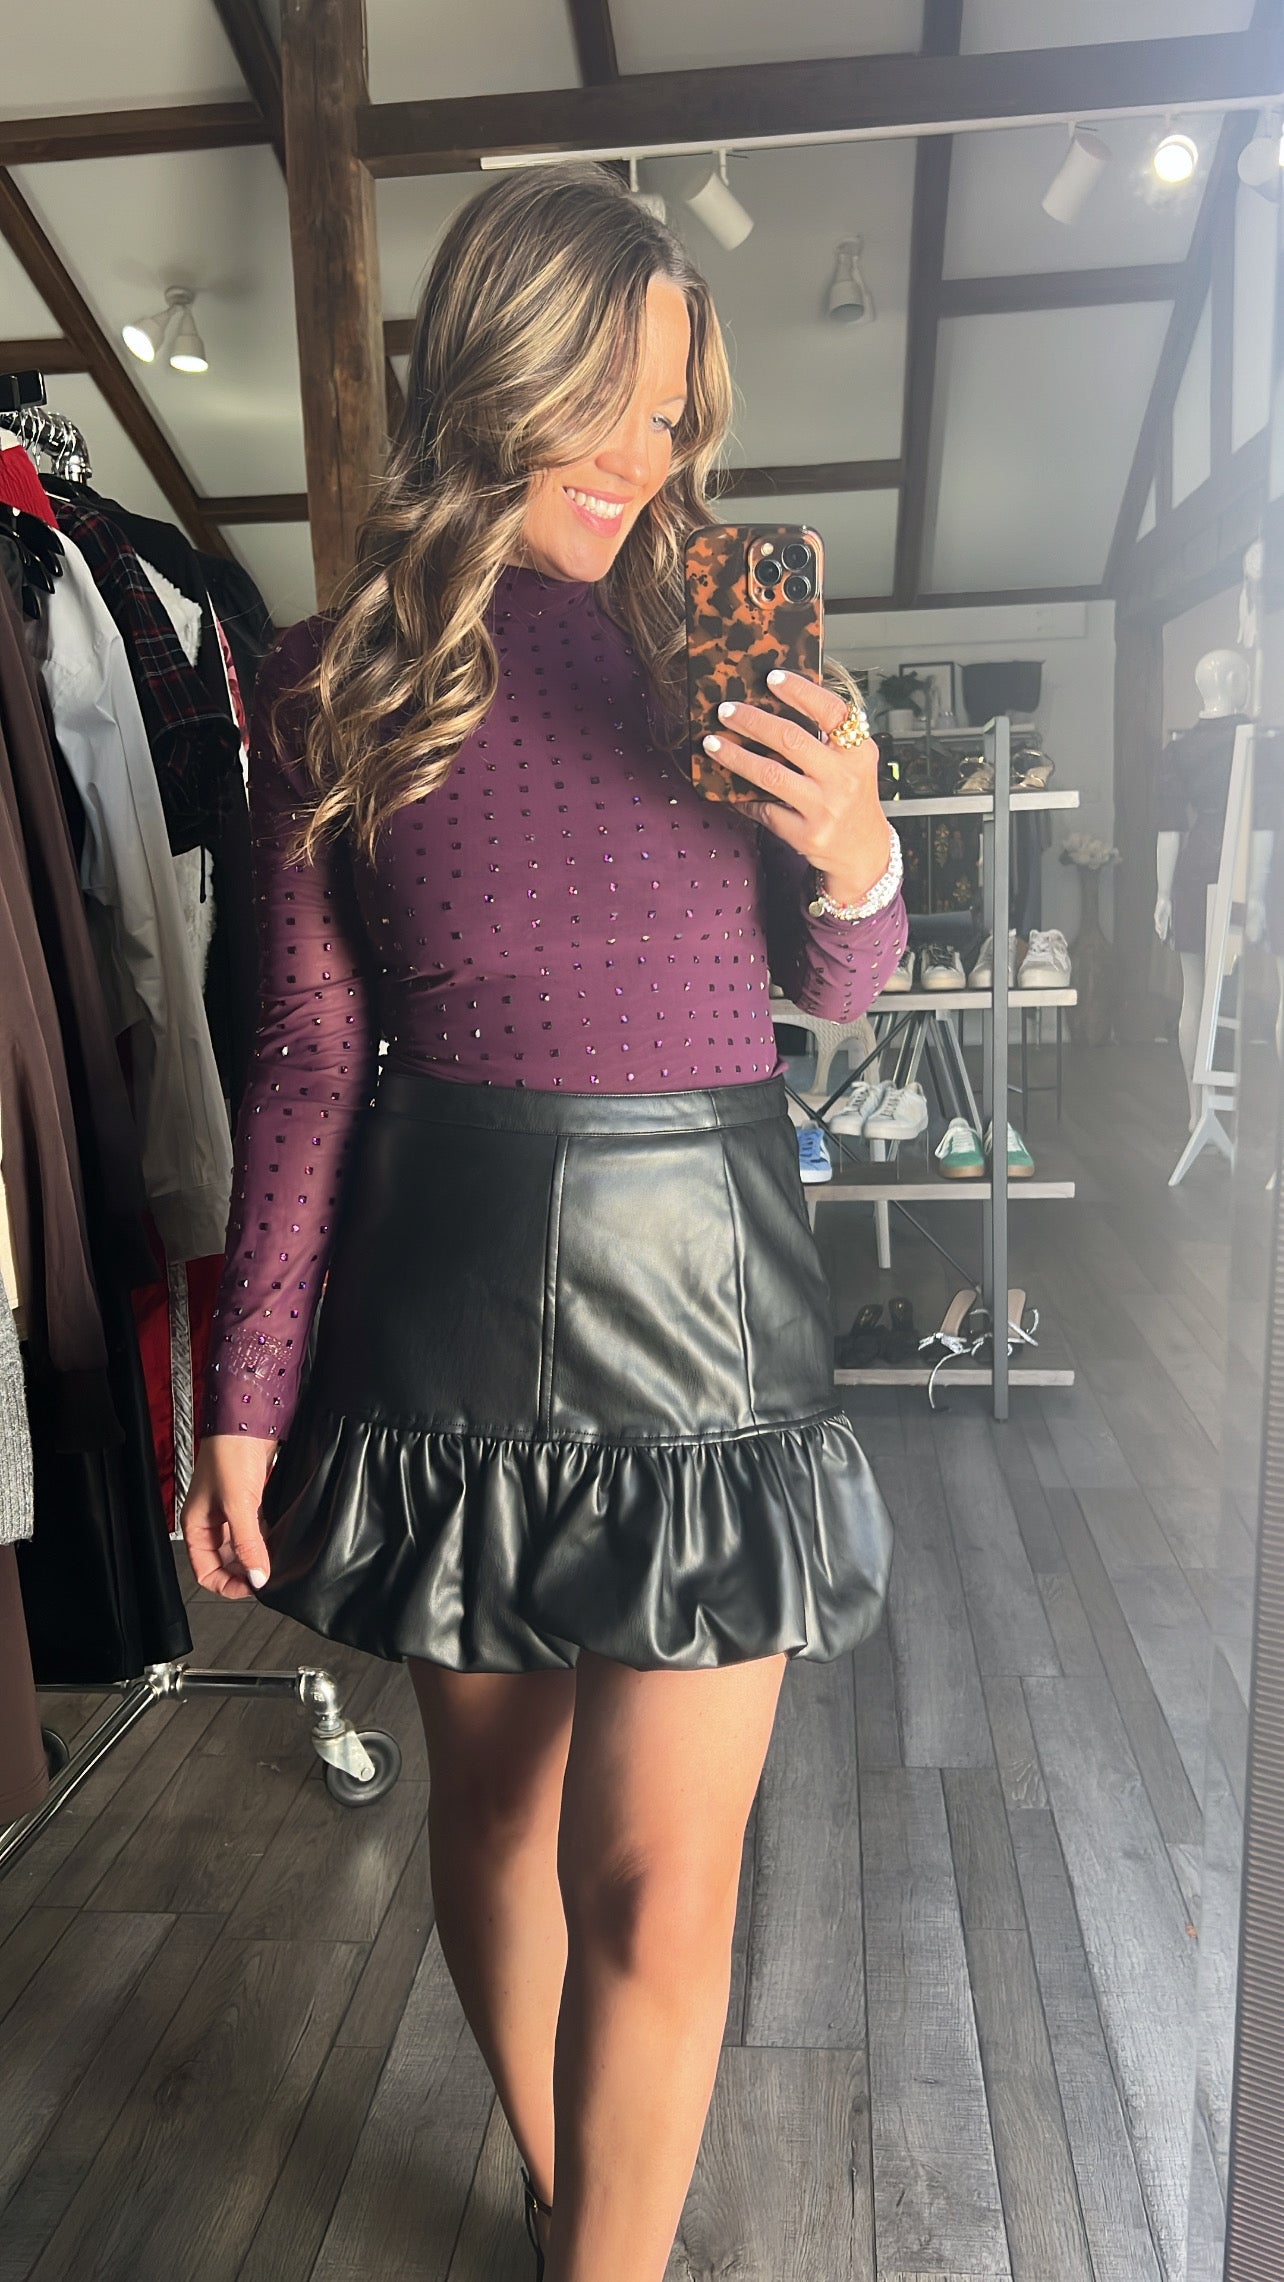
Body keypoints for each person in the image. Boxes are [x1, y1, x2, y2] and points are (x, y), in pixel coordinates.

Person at [180, 162, 904, 2282]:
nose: (636, 456)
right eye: (600, 400)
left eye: (669, 415)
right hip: (452, 1305)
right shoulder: (323, 680)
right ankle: (575, 2192)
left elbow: (843, 990)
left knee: (664, 1892)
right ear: (490, 368)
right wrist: (246, 1392)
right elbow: (304, 1057)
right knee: (494, 1830)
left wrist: (862, 853)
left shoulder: (715, 650)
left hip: (714, 1299)